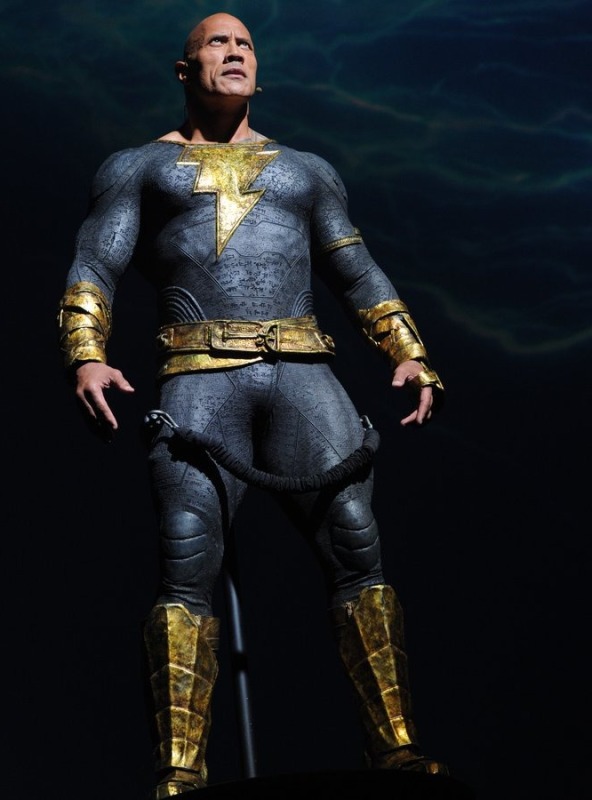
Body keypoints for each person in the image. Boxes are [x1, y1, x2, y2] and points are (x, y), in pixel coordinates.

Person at [57, 11, 448, 797]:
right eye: (217, 43)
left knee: (357, 544)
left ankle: (398, 750)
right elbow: (96, 261)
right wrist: (86, 354)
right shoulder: (139, 167)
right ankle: (180, 771)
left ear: (258, 71)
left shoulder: (305, 171)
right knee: (186, 556)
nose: (234, 52)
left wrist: (407, 350)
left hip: (306, 372)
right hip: (200, 377)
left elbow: (356, 269)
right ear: (185, 69)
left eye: (244, 44)